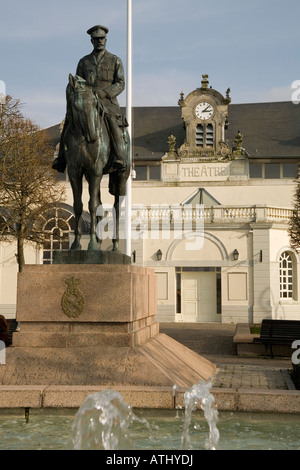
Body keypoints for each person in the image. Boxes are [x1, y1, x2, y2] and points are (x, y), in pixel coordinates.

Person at [52, 25, 127, 173]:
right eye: (97, 39)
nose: (100, 41)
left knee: (112, 121)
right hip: (87, 101)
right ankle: (61, 158)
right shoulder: (83, 62)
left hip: (107, 102)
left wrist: (105, 93)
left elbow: (120, 83)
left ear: (106, 40)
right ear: (91, 41)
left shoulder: (115, 60)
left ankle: (119, 156)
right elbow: (77, 83)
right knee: (69, 121)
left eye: (102, 39)